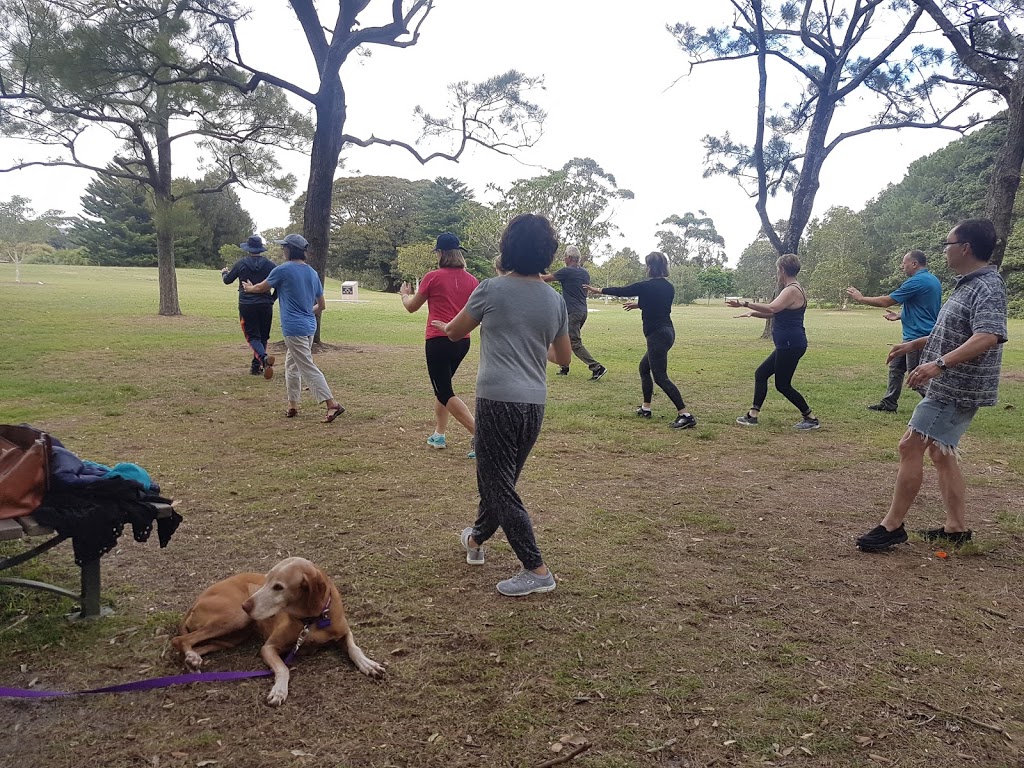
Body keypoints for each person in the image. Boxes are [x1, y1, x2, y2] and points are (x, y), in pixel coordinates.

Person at [434, 214, 571, 597]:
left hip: (497, 400)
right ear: (548, 252)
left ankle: (537, 569)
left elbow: (457, 330)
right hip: (534, 404)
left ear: (506, 248)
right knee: (500, 482)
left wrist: (445, 327)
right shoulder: (554, 299)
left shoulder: (491, 289)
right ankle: (476, 540)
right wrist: (530, 343)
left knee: (498, 485)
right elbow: (563, 358)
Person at [856, 219, 1008, 552]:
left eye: (948, 243)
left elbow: (987, 335)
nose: (946, 249)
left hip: (956, 387)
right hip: (952, 383)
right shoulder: (967, 284)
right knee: (941, 452)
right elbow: (953, 331)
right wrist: (913, 345)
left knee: (910, 446)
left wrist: (937, 364)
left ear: (965, 247)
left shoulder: (987, 286)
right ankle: (956, 528)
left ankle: (892, 526)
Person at [584, 252, 697, 429]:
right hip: (668, 332)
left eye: (647, 265)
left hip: (657, 335)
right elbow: (657, 304)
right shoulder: (669, 287)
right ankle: (646, 408)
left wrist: (598, 290)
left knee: (660, 377)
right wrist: (639, 305)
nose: (646, 268)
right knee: (644, 369)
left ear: (651, 267)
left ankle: (685, 415)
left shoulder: (646, 286)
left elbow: (623, 291)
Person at [242, 234, 345, 423]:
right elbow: (321, 306)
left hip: (294, 328)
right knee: (291, 365)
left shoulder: (283, 270)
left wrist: (248, 289)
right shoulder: (312, 273)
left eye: (284, 247)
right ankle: (292, 405)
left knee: (306, 366)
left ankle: (332, 404)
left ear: (290, 249)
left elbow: (261, 288)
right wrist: (306, 312)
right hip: (309, 328)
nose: (283, 250)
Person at [399, 233, 480, 458]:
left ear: (440, 253)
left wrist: (404, 295)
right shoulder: (472, 280)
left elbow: (412, 307)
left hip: (438, 340)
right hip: (462, 342)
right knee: (442, 388)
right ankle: (439, 434)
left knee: (444, 391)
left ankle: (481, 435)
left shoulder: (432, 277)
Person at [726, 254, 820, 430]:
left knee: (783, 385)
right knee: (761, 373)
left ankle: (810, 418)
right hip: (789, 343)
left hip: (791, 343)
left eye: (778, 270)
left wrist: (745, 304)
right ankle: (752, 415)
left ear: (782, 270)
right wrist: (753, 313)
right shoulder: (794, 288)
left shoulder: (791, 289)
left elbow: (772, 308)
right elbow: (774, 313)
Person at [846, 250, 942, 412]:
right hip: (917, 335)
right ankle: (889, 403)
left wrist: (860, 298)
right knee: (896, 367)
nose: (901, 267)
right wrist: (900, 315)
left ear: (914, 264)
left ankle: (939, 407)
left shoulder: (917, 281)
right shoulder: (932, 280)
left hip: (918, 337)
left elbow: (886, 301)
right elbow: (924, 307)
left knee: (917, 377)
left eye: (904, 263)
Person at [541, 245, 606, 380]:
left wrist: (529, 274)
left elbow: (545, 278)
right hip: (582, 311)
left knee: (573, 341)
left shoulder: (567, 271)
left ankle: (596, 367)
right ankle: (564, 367)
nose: (564, 259)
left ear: (569, 258)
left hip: (573, 312)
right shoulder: (584, 273)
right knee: (561, 337)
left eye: (565, 257)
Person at [221, 235, 276, 379]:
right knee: (263, 335)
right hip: (265, 304)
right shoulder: (270, 265)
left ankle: (263, 358)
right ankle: (256, 366)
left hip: (247, 304)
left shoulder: (241, 264)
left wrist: (224, 273)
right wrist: (272, 299)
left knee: (252, 337)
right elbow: (281, 283)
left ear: (248, 249)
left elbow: (227, 281)